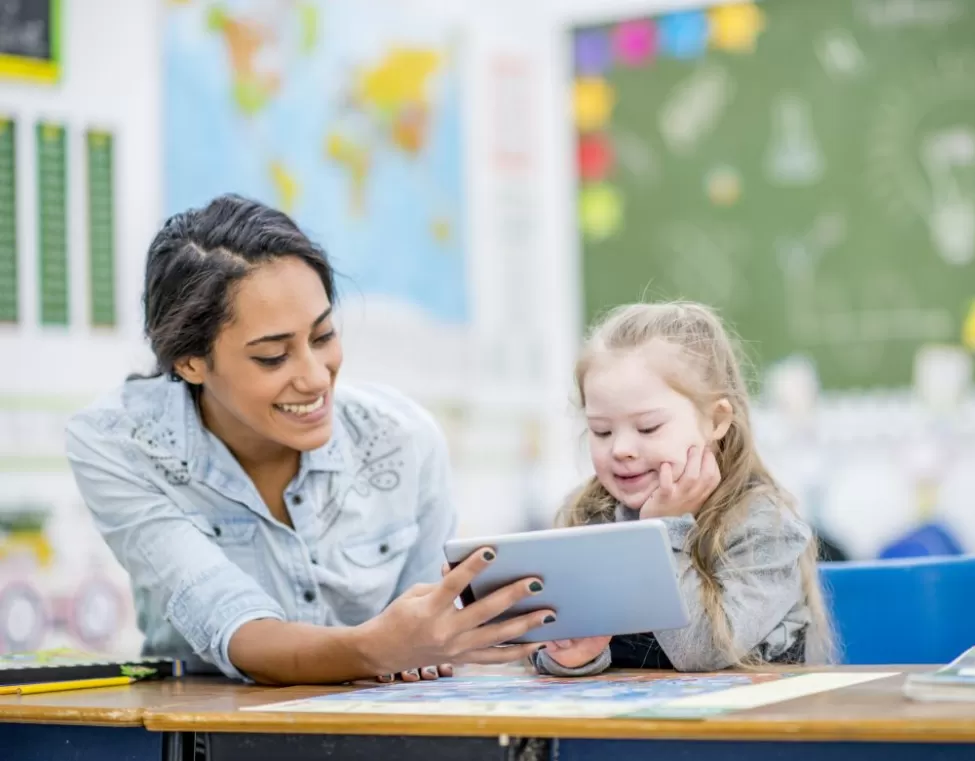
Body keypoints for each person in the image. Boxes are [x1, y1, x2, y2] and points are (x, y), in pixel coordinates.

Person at [65, 194, 556, 685]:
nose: (316, 377)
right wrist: (376, 649)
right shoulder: (119, 444)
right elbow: (232, 624)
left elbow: (427, 646)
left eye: (322, 337)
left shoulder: (403, 441)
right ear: (191, 362)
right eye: (273, 356)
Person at [533, 302, 831, 676]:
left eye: (648, 428)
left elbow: (703, 652)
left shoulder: (767, 528)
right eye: (601, 431)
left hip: (746, 727)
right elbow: (542, 644)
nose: (621, 448)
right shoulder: (588, 515)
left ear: (716, 420)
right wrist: (573, 655)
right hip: (625, 728)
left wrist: (662, 530)